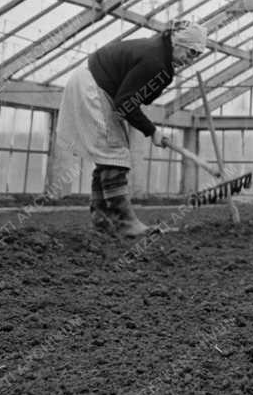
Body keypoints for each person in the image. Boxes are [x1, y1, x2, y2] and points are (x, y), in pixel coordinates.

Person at [55, 20, 209, 237]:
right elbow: (126, 103)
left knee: (109, 155)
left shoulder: (160, 55)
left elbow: (135, 98)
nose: (191, 59)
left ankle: (102, 220)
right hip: (94, 87)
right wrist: (152, 130)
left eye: (197, 55)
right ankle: (124, 223)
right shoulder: (154, 60)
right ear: (179, 42)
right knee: (115, 153)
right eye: (191, 52)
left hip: (94, 84)